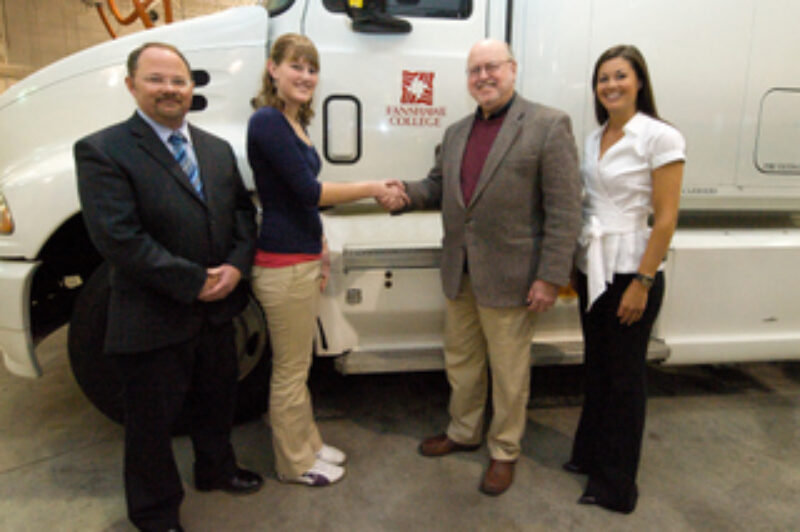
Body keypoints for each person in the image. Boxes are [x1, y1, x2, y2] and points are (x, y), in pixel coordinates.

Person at [380, 39, 582, 496]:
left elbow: (565, 209)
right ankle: (463, 431)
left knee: (509, 372)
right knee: (462, 361)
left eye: (492, 67)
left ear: (513, 69)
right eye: (474, 70)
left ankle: (504, 450)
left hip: (513, 276)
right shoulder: (455, 133)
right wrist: (403, 193)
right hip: (460, 270)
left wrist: (551, 276)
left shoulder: (548, 125)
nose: (483, 76)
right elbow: (436, 186)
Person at [74, 42, 262, 532]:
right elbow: (118, 238)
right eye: (156, 79)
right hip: (152, 314)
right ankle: (155, 512)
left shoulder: (216, 150)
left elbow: (243, 215)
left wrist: (237, 269)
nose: (169, 89)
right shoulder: (102, 150)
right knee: (150, 425)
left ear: (192, 87)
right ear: (132, 85)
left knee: (216, 400)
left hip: (219, 309)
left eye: (178, 80)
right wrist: (192, 281)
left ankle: (215, 469)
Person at [247, 33, 404, 487]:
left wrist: (318, 248)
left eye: (312, 68)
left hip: (299, 255)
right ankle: (294, 462)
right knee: (291, 370)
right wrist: (373, 187)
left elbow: (298, 203)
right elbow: (309, 193)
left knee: (300, 366)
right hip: (281, 264)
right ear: (273, 68)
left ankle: (309, 443)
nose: (305, 76)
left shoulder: (295, 123)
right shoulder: (268, 122)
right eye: (295, 66)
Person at [563, 44, 685, 514]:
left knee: (624, 381)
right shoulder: (595, 137)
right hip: (593, 266)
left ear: (639, 82)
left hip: (632, 269)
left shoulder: (659, 137)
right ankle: (589, 455)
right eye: (603, 78)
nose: (610, 85)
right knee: (597, 369)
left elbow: (667, 219)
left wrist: (643, 280)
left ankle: (616, 486)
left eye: (620, 76)